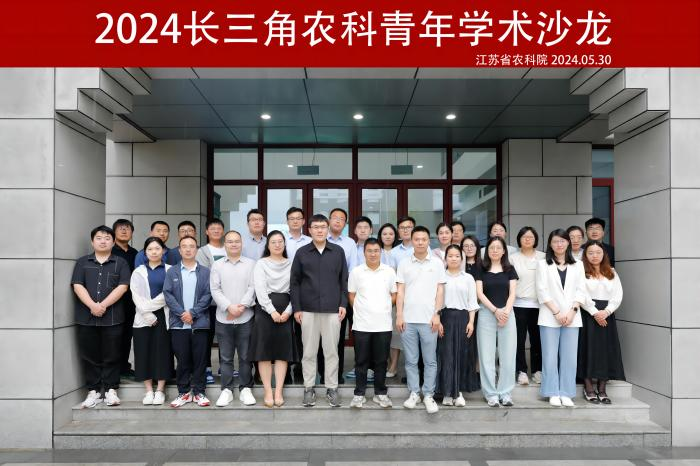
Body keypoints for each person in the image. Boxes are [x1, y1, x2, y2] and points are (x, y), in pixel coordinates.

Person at [291, 214, 348, 408]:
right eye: (315, 227)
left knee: (331, 352)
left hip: (332, 310)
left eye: (323, 227)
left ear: (328, 228)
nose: (319, 230)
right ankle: (309, 388)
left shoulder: (338, 251)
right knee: (308, 352)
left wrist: (343, 304)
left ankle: (332, 388)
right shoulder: (302, 253)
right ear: (309, 230)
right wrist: (297, 308)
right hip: (308, 310)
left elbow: (344, 280)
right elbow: (294, 282)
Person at [71, 226, 130, 408]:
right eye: (99, 238)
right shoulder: (82, 262)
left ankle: (111, 389)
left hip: (113, 317)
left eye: (107, 238)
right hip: (86, 317)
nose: (103, 241)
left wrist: (102, 305)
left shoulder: (120, 262)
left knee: (112, 354)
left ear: (113, 242)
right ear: (92, 241)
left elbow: (123, 286)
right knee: (89, 355)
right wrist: (92, 305)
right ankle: (94, 391)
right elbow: (77, 285)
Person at [396, 225, 446, 414]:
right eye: (416, 239)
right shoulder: (404, 263)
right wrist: (399, 315)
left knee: (430, 360)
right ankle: (414, 393)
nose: (420, 242)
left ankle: (428, 395)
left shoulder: (437, 263)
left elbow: (440, 290)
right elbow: (400, 291)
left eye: (423, 239)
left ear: (428, 241)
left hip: (429, 320)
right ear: (412, 240)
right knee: (411, 360)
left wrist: (437, 314)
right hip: (408, 320)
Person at [536, 229, 587, 408]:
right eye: (555, 241)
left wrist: (572, 311)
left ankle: (566, 392)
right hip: (550, 316)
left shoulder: (578, 265)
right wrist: (557, 312)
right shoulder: (543, 264)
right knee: (549, 356)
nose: (559, 244)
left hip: (572, 316)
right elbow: (541, 290)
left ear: (568, 243)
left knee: (569, 357)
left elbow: (581, 290)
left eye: (563, 241)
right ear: (550, 244)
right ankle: (551, 391)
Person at [251, 231, 300, 407]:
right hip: (265, 311)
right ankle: (267, 390)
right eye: (273, 242)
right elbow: (260, 289)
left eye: (280, 241)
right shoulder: (261, 264)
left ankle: (278, 390)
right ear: (268, 245)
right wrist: (271, 311)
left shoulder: (292, 264)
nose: (277, 245)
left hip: (286, 309)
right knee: (263, 352)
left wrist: (288, 311)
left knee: (282, 352)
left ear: (285, 244)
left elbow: (296, 289)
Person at [209, 230, 257, 407]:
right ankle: (227, 390)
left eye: (237, 241)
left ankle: (246, 388)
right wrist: (229, 307)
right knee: (226, 357)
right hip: (224, 318)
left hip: (246, 317)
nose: (234, 244)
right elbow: (215, 289)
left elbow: (253, 287)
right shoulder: (217, 265)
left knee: (245, 356)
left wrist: (241, 306)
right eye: (230, 241)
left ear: (242, 244)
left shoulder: (251, 264)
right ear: (225, 245)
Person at [164, 236, 213, 408]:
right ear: (179, 250)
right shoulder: (172, 271)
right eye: (184, 246)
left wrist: (192, 313)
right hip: (179, 324)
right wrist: (182, 313)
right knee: (183, 360)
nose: (188, 249)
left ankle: (199, 392)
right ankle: (183, 392)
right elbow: (168, 294)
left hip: (200, 323)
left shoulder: (205, 272)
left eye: (192, 246)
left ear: (196, 250)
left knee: (200, 360)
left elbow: (208, 294)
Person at [348, 238, 397, 409]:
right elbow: (352, 295)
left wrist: (384, 307)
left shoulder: (389, 272)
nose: (373, 254)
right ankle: (359, 394)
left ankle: (380, 393)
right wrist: (362, 309)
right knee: (361, 361)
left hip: (383, 324)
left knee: (381, 361)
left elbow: (394, 294)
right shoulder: (356, 272)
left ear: (381, 252)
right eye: (369, 251)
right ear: (364, 253)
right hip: (362, 324)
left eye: (376, 250)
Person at [579, 240, 625, 404]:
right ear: (585, 255)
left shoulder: (611, 272)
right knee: (587, 348)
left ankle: (602, 388)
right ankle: (588, 387)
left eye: (598, 252)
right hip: (588, 314)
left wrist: (606, 311)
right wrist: (594, 312)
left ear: (604, 254)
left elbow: (618, 294)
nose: (594, 256)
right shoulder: (581, 271)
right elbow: (581, 293)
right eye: (590, 253)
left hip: (607, 315)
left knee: (605, 350)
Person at [475, 236, 519, 407]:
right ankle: (490, 393)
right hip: (487, 313)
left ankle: (505, 392)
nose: (494, 250)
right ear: (487, 251)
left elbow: (513, 293)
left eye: (498, 248)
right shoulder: (481, 268)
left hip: (507, 314)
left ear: (503, 251)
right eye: (491, 248)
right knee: (486, 355)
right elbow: (479, 293)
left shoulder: (510, 269)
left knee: (508, 356)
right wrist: (495, 311)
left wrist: (505, 312)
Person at [130, 237, 172, 406]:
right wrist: (146, 313)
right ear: (145, 252)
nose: (154, 252)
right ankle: (148, 390)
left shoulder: (170, 270)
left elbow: (168, 294)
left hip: (163, 315)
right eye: (150, 249)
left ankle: (160, 390)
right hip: (142, 317)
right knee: (143, 351)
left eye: (157, 248)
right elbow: (135, 294)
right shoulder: (138, 271)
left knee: (163, 351)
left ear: (163, 251)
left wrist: (148, 307)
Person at [436, 245, 480, 406]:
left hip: (463, 319)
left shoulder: (468, 278)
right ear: (445, 258)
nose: (453, 259)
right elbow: (435, 301)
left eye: (457, 256)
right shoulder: (440, 277)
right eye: (450, 256)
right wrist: (438, 320)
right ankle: (447, 393)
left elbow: (472, 302)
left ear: (462, 259)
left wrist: (471, 322)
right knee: (446, 356)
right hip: (445, 318)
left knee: (462, 355)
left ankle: (458, 392)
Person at [325, 207, 357, 384]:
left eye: (341, 218)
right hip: (325, 294)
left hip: (344, 292)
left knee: (342, 335)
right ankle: (325, 373)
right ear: (329, 220)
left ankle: (338, 374)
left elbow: (352, 269)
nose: (337, 220)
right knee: (328, 337)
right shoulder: (321, 239)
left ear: (345, 223)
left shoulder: (350, 243)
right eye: (334, 217)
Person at [510, 227, 546, 386]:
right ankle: (521, 371)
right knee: (518, 340)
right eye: (524, 236)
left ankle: (538, 370)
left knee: (537, 339)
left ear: (535, 239)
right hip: (518, 304)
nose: (527, 239)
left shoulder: (543, 257)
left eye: (531, 237)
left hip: (539, 305)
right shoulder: (512, 258)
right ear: (519, 239)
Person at [196, 218, 227, 385]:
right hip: (209, 303)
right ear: (207, 232)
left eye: (219, 228)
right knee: (207, 336)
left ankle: (225, 366)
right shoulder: (202, 251)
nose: (216, 231)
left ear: (223, 231)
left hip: (227, 301)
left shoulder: (228, 248)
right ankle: (207, 368)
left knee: (225, 335)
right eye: (212, 228)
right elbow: (205, 274)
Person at [284, 207, 311, 382]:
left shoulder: (310, 241)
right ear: (287, 221)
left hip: (304, 290)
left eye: (298, 218)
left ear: (303, 221)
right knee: (285, 333)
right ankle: (286, 368)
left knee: (303, 332)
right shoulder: (280, 240)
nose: (295, 221)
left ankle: (301, 367)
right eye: (291, 218)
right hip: (282, 290)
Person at [111, 218, 138, 378]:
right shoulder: (110, 251)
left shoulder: (135, 253)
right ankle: (114, 368)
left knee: (128, 334)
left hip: (131, 301)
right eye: (120, 228)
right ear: (114, 232)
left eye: (127, 228)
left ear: (132, 233)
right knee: (115, 335)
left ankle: (124, 366)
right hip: (114, 300)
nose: (124, 230)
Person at [379, 222, 401, 378]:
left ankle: (393, 366)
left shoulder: (398, 252)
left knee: (395, 333)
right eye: (384, 234)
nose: (388, 236)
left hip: (396, 296)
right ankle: (384, 363)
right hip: (378, 297)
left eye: (391, 234)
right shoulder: (375, 251)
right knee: (381, 333)